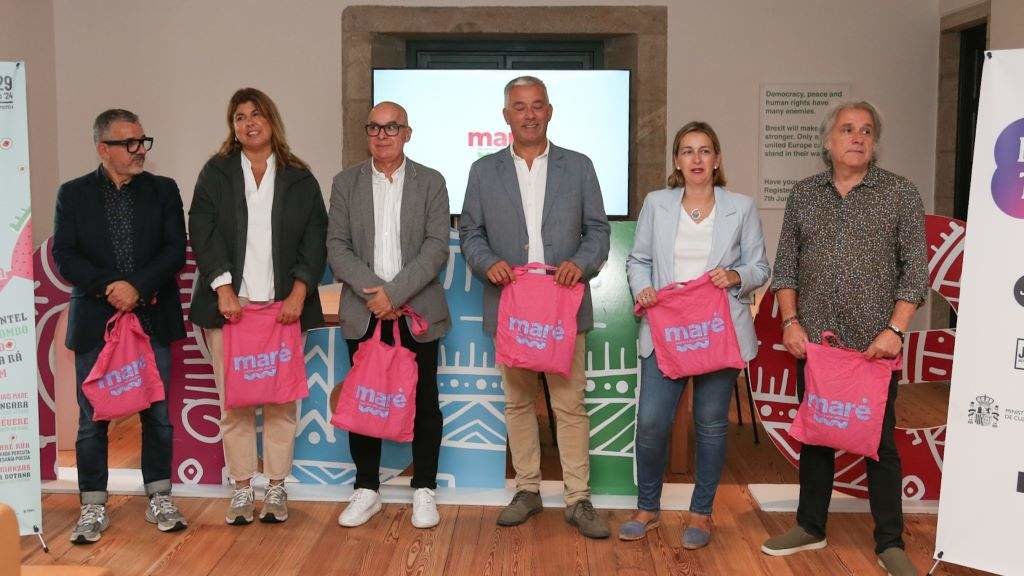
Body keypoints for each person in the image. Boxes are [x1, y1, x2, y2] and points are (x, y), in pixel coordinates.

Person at [760, 101, 928, 576]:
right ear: (827, 141)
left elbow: (914, 270)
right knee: (816, 435)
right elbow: (786, 266)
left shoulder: (899, 193)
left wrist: (896, 330)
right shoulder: (804, 195)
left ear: (875, 143)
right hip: (816, 345)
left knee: (880, 442)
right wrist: (790, 322)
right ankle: (810, 527)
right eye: (848, 129)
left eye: (867, 131)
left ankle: (890, 541)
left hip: (875, 347)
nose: (858, 137)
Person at [459, 76, 611, 539]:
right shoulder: (484, 171)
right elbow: (470, 233)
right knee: (518, 403)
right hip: (513, 306)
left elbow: (598, 232)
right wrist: (489, 264)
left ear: (550, 111)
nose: (529, 114)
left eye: (537, 106)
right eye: (519, 107)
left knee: (570, 406)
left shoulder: (579, 166)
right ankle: (527, 490)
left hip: (562, 307)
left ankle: (578, 499)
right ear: (506, 115)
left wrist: (580, 264)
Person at [623, 121, 770, 548]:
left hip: (716, 331)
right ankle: (647, 507)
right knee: (651, 424)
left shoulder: (740, 206)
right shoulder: (657, 203)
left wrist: (735, 275)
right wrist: (642, 287)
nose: (697, 159)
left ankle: (701, 513)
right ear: (677, 161)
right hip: (666, 331)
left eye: (705, 151)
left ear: (717, 159)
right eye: (688, 151)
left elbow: (760, 268)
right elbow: (638, 259)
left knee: (710, 426)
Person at [188, 87, 327, 526]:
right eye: (239, 117)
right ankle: (243, 489)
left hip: (284, 306)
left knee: (282, 402)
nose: (249, 123)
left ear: (272, 120)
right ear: (232, 126)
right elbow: (202, 230)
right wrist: (223, 288)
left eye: (256, 114)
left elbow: (314, 239)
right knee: (236, 403)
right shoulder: (216, 173)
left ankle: (278, 488)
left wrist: (301, 293)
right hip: (233, 307)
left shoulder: (299, 177)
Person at [53, 109, 188, 544]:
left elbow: (174, 251)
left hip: (151, 315)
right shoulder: (72, 194)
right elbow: (66, 255)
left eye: (143, 141)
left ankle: (159, 496)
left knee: (159, 415)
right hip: (97, 320)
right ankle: (93, 503)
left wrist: (137, 287)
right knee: (93, 418)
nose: (139, 151)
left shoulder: (163, 190)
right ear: (102, 148)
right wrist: (111, 287)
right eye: (129, 143)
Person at [326, 101, 452, 529]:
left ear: (407, 133)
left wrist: (395, 293)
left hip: (417, 309)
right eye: (374, 128)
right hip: (364, 312)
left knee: (423, 401)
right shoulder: (345, 183)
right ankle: (366, 488)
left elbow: (436, 247)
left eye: (391, 127)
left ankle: (425, 489)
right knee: (364, 397)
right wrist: (375, 296)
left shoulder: (431, 182)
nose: (382, 135)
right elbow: (337, 248)